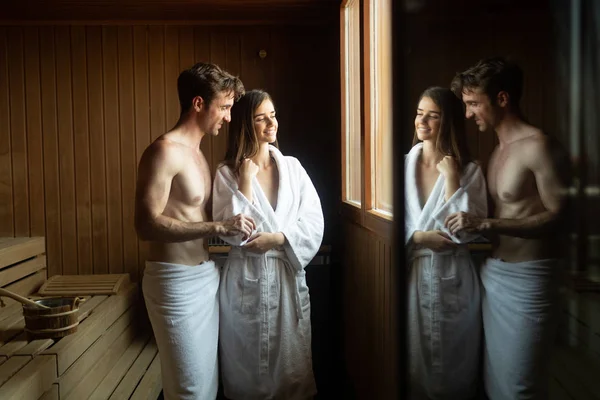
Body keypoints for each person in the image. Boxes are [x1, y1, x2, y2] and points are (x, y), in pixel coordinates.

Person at [446, 57, 570, 400]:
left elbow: (560, 216)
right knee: (495, 385)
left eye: (474, 104)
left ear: (502, 98)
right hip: (495, 275)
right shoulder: (497, 151)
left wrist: (487, 223)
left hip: (531, 279)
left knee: (520, 388)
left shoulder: (539, 146)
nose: (469, 114)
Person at [134, 62, 255, 400]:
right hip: (173, 283)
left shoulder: (199, 156)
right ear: (199, 103)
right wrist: (218, 226)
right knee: (188, 390)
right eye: (225, 107)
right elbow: (145, 224)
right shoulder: (163, 152)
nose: (229, 117)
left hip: (205, 277)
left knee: (206, 385)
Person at [212, 89, 324, 400]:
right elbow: (234, 232)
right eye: (261, 118)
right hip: (246, 279)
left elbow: (314, 222)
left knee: (291, 372)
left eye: (272, 115)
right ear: (245, 125)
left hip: (286, 276)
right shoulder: (227, 173)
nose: (270, 123)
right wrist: (245, 180)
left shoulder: (293, 168)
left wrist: (278, 239)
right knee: (249, 370)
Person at [405, 86, 488, 399]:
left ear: (448, 121)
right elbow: (389, 228)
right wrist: (418, 236)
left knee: (456, 366)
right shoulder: (401, 168)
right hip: (413, 279)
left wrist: (452, 180)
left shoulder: (469, 171)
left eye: (433, 116)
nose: (422, 121)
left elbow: (467, 231)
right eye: (419, 113)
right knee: (415, 363)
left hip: (454, 279)